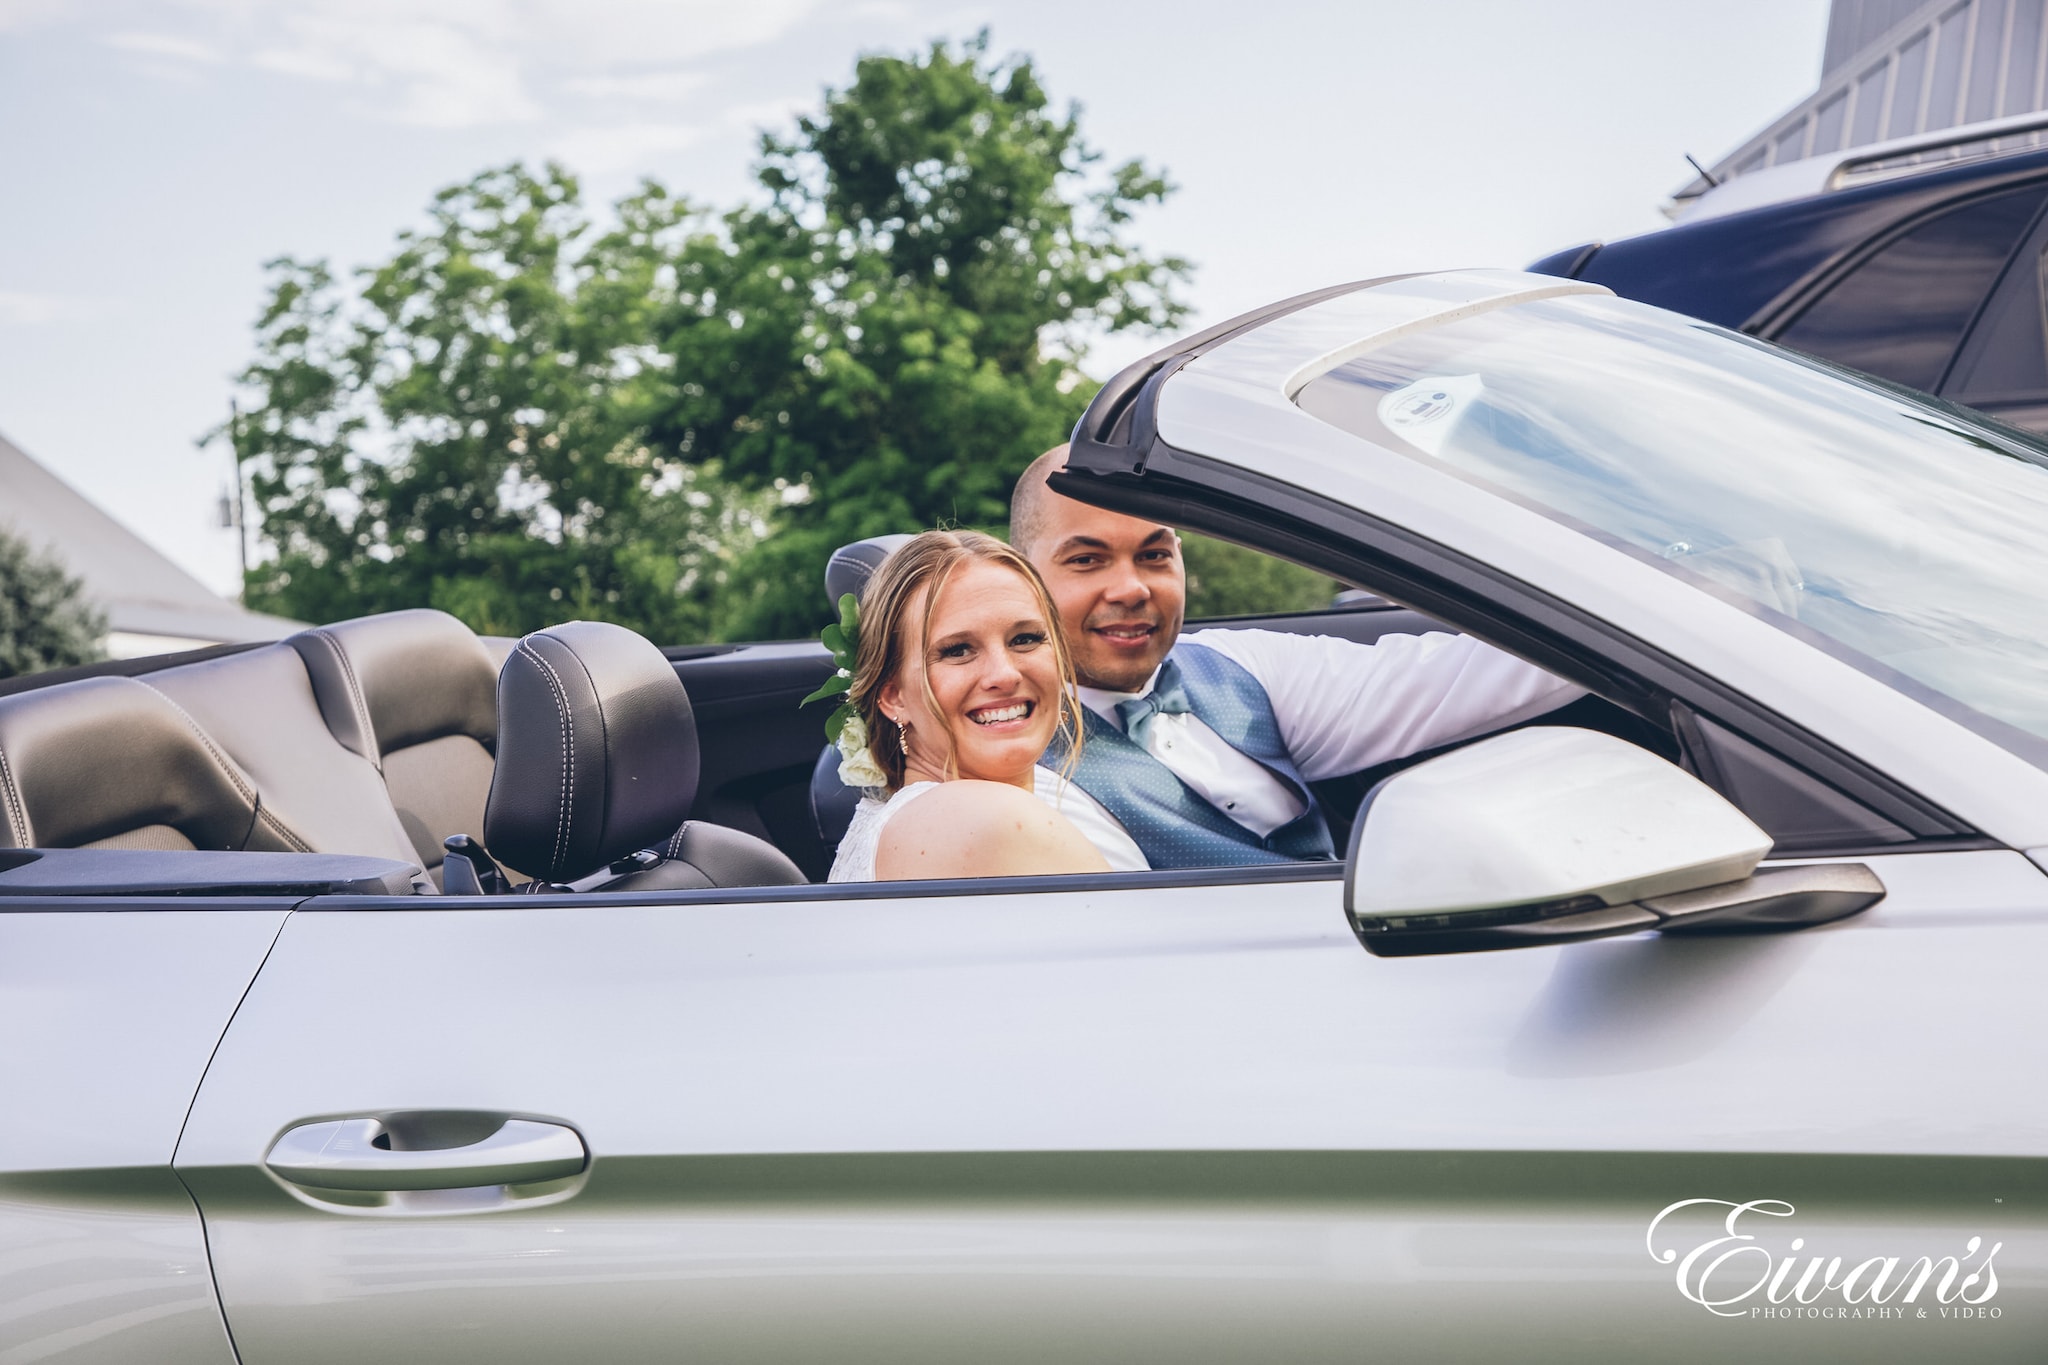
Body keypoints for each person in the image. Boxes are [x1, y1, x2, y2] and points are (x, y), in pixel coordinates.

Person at [1009, 445, 1587, 871]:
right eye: (1087, 560)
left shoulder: (1239, 665)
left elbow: (1473, 677)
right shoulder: (1021, 774)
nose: (1132, 588)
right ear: (1021, 577)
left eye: (1155, 554)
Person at [827, 530, 1119, 882]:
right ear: (893, 696)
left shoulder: (909, 815)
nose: (1005, 674)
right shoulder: (989, 819)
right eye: (957, 650)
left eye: (1025, 639)